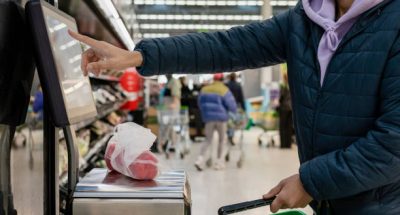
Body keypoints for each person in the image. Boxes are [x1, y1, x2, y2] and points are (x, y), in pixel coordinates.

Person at [69, 0, 400, 213]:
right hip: (329, 201)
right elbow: (226, 46)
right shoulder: (305, 19)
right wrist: (139, 56)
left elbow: (394, 143)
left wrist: (311, 182)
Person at [195, 73, 237, 170]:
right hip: (221, 119)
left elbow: (199, 103)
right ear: (222, 80)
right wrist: (233, 112)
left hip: (209, 118)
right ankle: (219, 163)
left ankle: (199, 159)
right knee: (222, 140)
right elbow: (232, 105)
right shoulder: (224, 90)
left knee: (208, 139)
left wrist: (205, 113)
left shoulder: (204, 89)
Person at [225, 73, 246, 145]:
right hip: (235, 106)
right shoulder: (238, 86)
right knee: (233, 122)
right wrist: (244, 108)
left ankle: (229, 134)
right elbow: (241, 98)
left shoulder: (226, 85)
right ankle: (231, 135)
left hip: (227, 106)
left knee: (228, 122)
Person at [278, 73, 293, 149]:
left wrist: (278, 102)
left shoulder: (283, 86)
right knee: (289, 127)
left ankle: (283, 144)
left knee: (283, 127)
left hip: (284, 108)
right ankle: (288, 144)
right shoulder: (293, 85)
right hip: (291, 108)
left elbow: (281, 98)